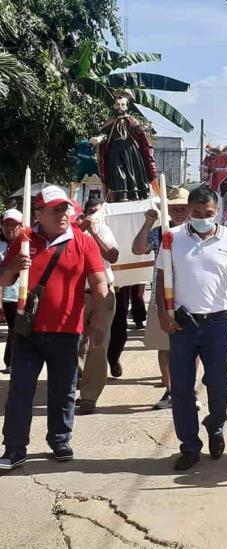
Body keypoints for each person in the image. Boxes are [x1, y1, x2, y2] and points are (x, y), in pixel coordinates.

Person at [0, 186, 108, 470]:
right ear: (38, 214)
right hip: (27, 331)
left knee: (63, 390)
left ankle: (60, 440)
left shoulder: (83, 241)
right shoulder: (23, 240)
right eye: (55, 210)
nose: (63, 214)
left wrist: (97, 321)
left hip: (67, 331)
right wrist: (12, 266)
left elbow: (99, 284)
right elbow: (3, 281)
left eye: (65, 209)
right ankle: (14, 448)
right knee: (20, 391)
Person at [155, 186, 227, 471]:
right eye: (196, 213)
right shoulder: (172, 239)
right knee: (181, 388)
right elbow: (161, 278)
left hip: (217, 322)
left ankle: (215, 425)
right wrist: (162, 314)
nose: (202, 218)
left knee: (218, 383)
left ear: (216, 211)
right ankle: (189, 446)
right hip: (182, 324)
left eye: (208, 214)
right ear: (188, 211)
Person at [131, 186, 191, 409]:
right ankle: (170, 390)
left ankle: (188, 390)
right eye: (174, 208)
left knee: (190, 348)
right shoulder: (159, 233)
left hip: (189, 297)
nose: (179, 212)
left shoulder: (195, 232)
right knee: (164, 346)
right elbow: (138, 249)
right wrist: (148, 222)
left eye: (183, 208)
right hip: (162, 296)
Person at [75, 197, 120, 415]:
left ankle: (89, 396)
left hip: (101, 294)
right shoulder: (67, 234)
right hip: (75, 295)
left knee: (98, 343)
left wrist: (93, 232)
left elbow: (112, 255)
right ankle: (76, 382)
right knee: (73, 343)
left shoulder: (102, 228)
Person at [0, 209, 22, 374]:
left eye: (14, 225)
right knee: (15, 327)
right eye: (7, 225)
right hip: (6, 295)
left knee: (18, 328)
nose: (10, 228)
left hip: (23, 293)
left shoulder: (27, 244)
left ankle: (12, 360)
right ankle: (11, 361)